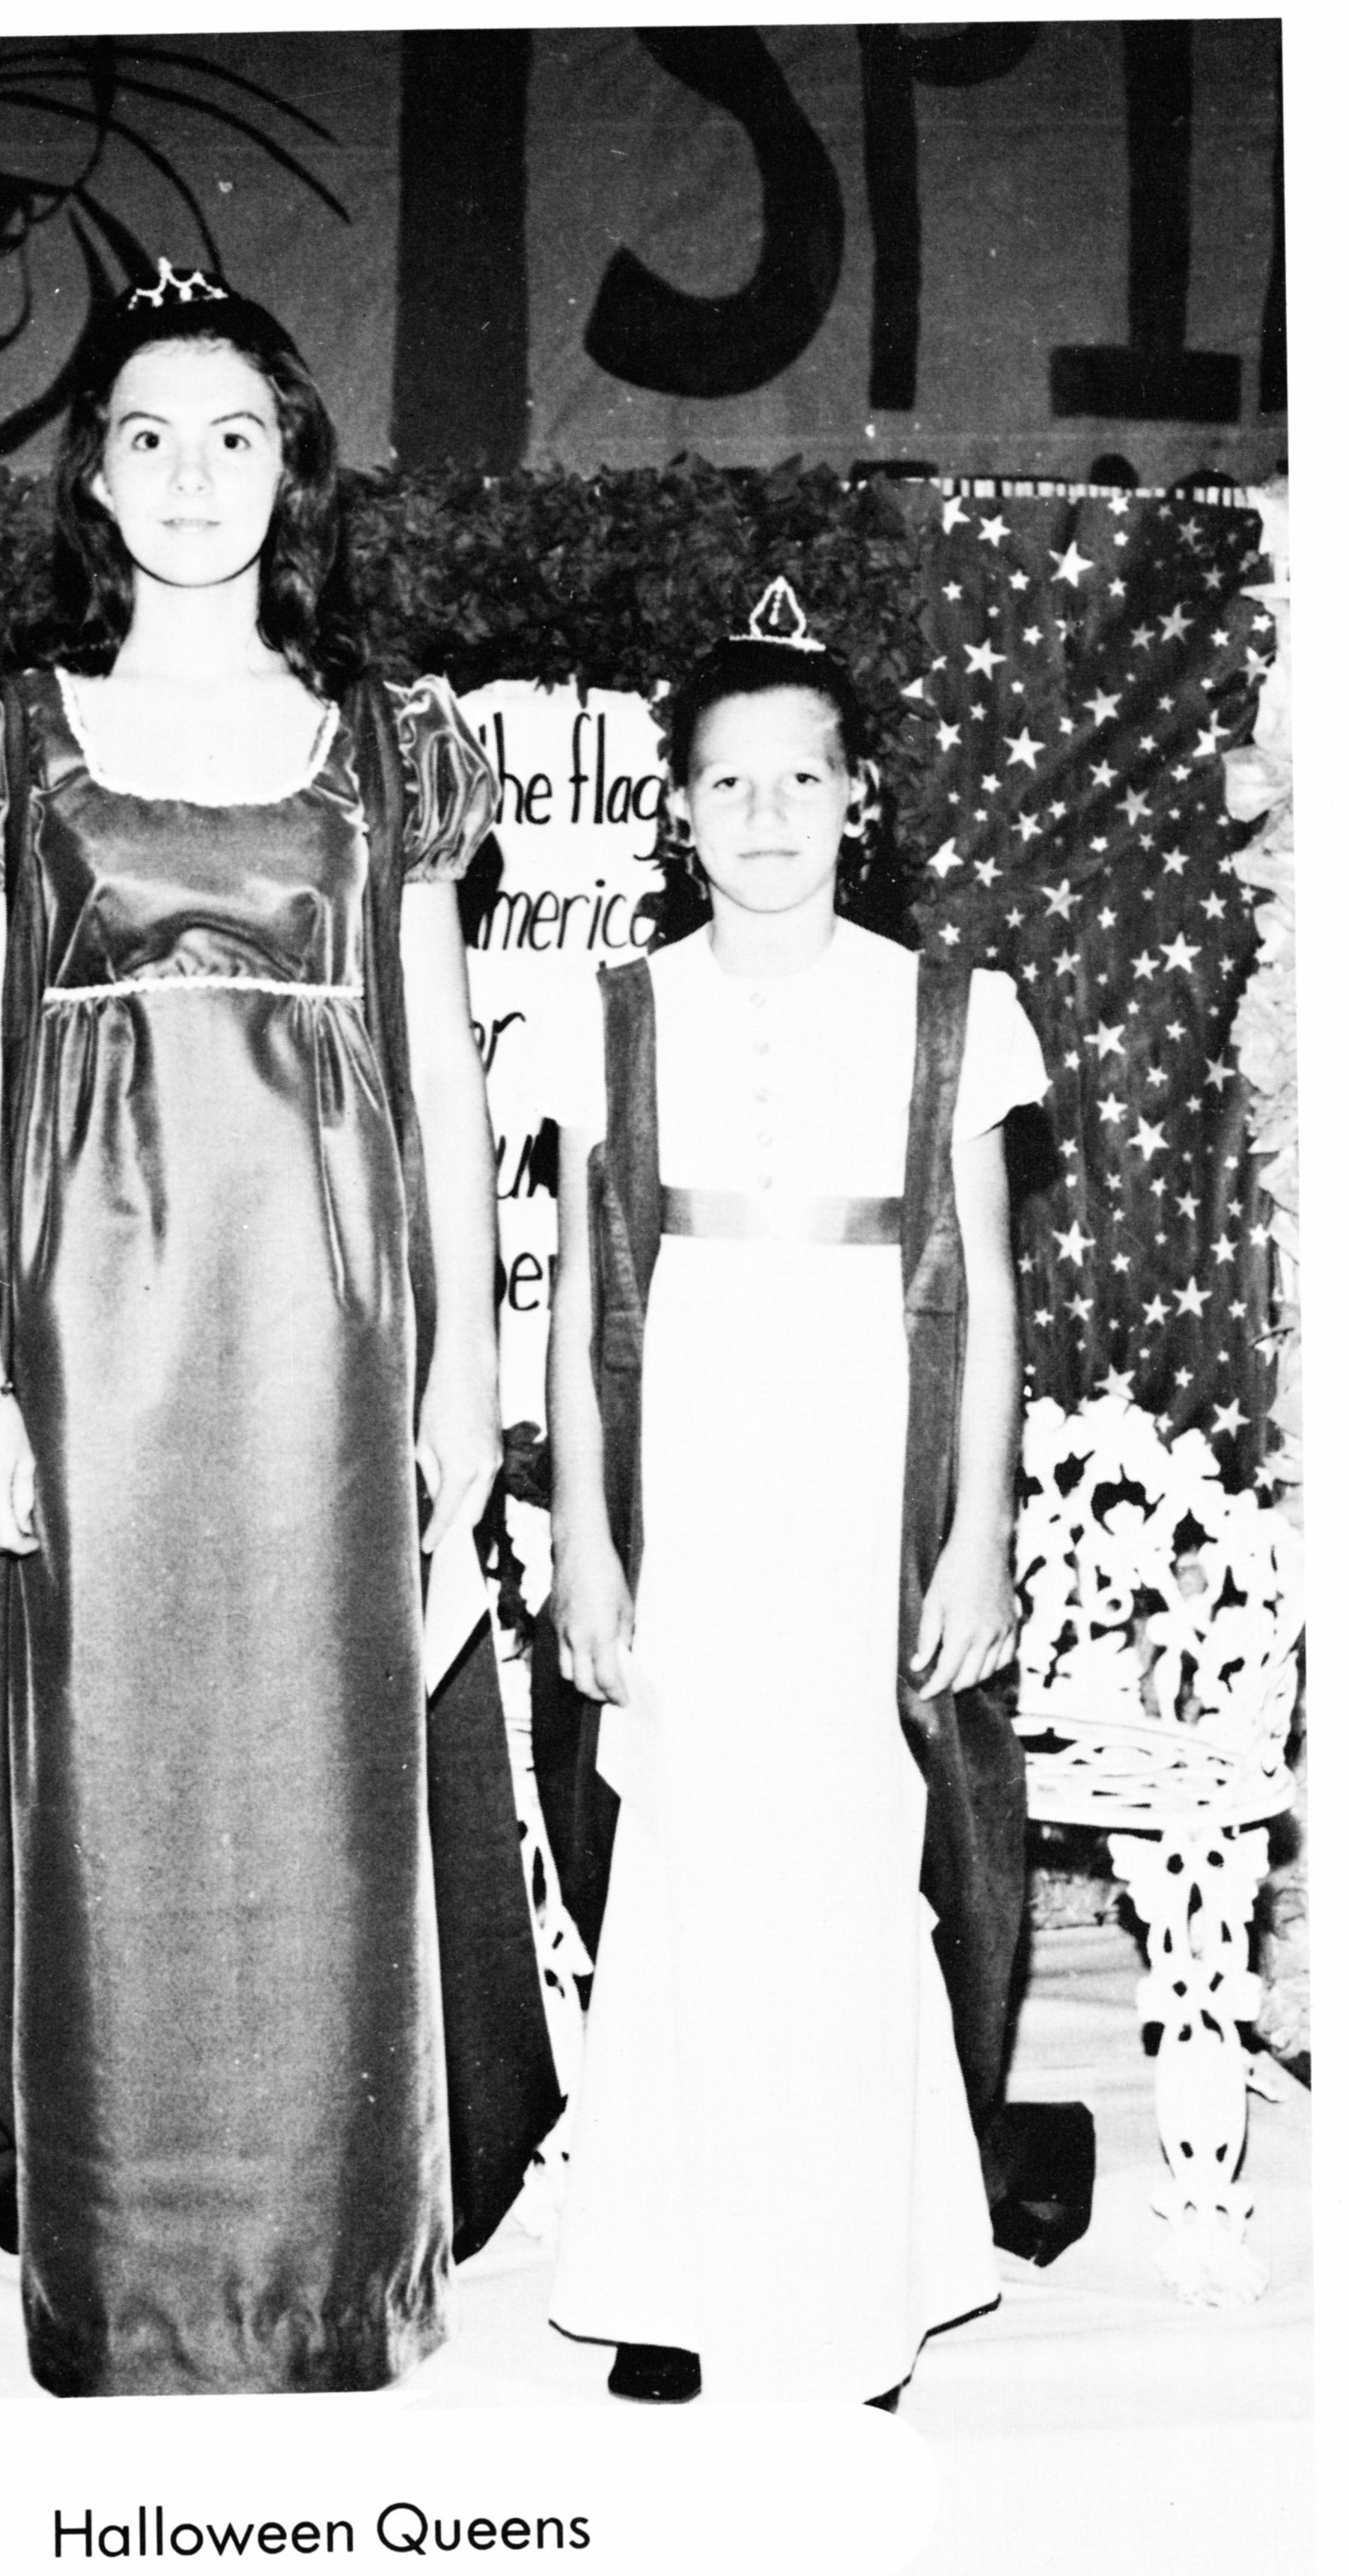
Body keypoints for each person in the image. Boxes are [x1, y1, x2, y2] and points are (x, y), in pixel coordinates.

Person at [0, 260, 560, 2397]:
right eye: (149, 438)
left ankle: (330, 2276)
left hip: (321, 1331)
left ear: (293, 475)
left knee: (319, 1777)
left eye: (236, 437)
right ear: (95, 480)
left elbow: (443, 1072)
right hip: (88, 1326)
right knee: (109, 1777)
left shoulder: (387, 744)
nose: (193, 476)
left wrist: (464, 1384)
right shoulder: (5, 739)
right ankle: (126, 2284)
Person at [544, 587, 1047, 2405]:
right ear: (677, 811)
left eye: (801, 778)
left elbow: (983, 1291)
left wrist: (978, 1531)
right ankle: (672, 2278)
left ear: (859, 798)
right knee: (687, 1852)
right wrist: (585, 1540)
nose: (765, 813)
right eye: (726, 783)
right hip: (689, 1465)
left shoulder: (948, 1014)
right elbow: (584, 1300)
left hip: (860, 1476)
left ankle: (850, 2289)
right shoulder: (616, 1016)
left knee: (840, 1862)